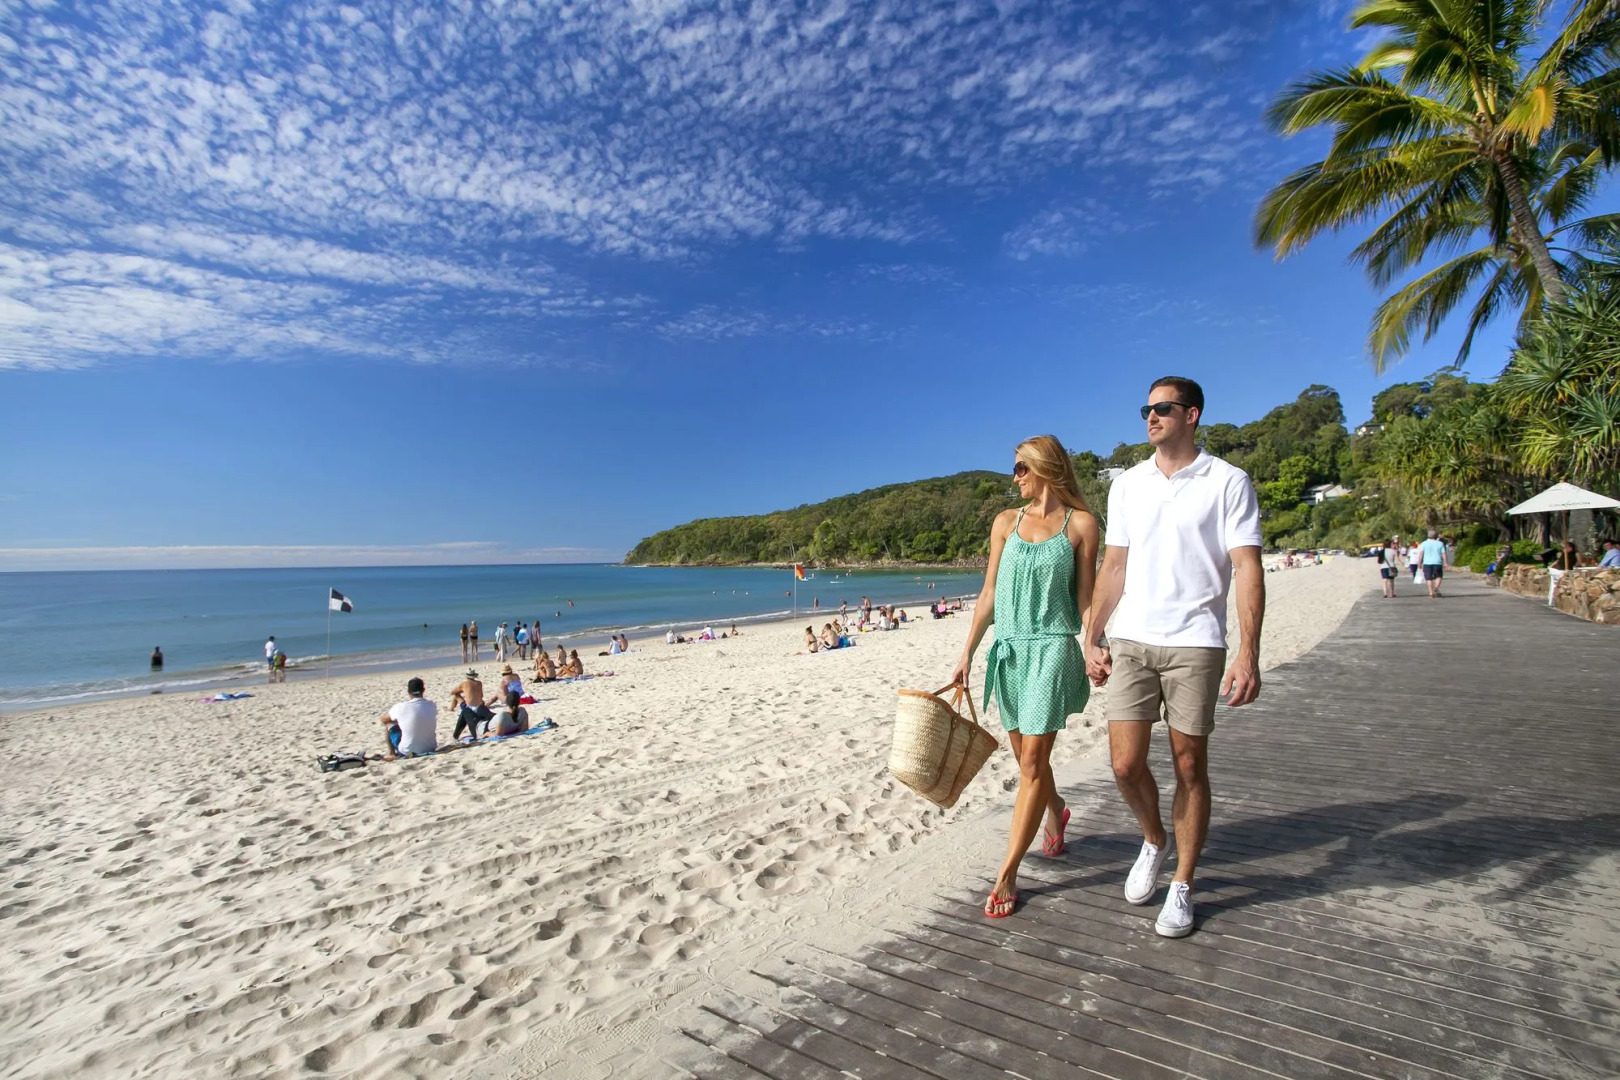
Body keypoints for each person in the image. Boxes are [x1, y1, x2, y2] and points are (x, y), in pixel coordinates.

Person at [1084, 377, 1264, 940]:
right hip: (1132, 639)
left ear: (1192, 415)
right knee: (1124, 765)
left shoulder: (1228, 481)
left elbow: (1247, 566)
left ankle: (1183, 882)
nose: (1151, 417)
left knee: (1189, 765)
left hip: (1196, 641)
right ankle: (1154, 839)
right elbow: (1114, 565)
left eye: (1162, 408)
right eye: (1146, 408)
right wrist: (1093, 635)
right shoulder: (1128, 485)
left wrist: (1249, 652)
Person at [951, 434, 1098, 920]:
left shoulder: (1081, 525)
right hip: (1010, 651)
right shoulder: (1005, 523)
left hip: (1052, 648)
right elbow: (989, 593)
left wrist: (1094, 643)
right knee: (1026, 760)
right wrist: (967, 653)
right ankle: (1056, 811)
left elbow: (1086, 598)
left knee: (1033, 760)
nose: (1014, 477)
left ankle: (1008, 872)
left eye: (1020, 468)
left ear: (1044, 468)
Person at [381, 677, 437, 758]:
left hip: (407, 750)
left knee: (389, 723)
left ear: (408, 692)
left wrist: (399, 720)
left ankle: (391, 753)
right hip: (430, 747)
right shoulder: (432, 705)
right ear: (423, 690)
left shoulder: (400, 707)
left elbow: (383, 719)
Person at [449, 669, 493, 741]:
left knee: (456, 695)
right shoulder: (479, 683)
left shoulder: (464, 684)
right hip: (480, 706)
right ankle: (451, 708)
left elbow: (452, 692)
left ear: (466, 676)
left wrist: (462, 691)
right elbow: (481, 695)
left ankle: (451, 708)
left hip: (470, 708)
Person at [1419, 529, 1448, 599]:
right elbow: (1443, 553)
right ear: (1435, 536)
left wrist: (1419, 562)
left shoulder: (1424, 543)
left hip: (1427, 563)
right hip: (1437, 562)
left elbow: (1421, 554)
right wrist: (1445, 562)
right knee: (1439, 576)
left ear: (1428, 536)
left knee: (1428, 578)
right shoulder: (1440, 543)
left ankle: (1431, 593)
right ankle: (1436, 587)